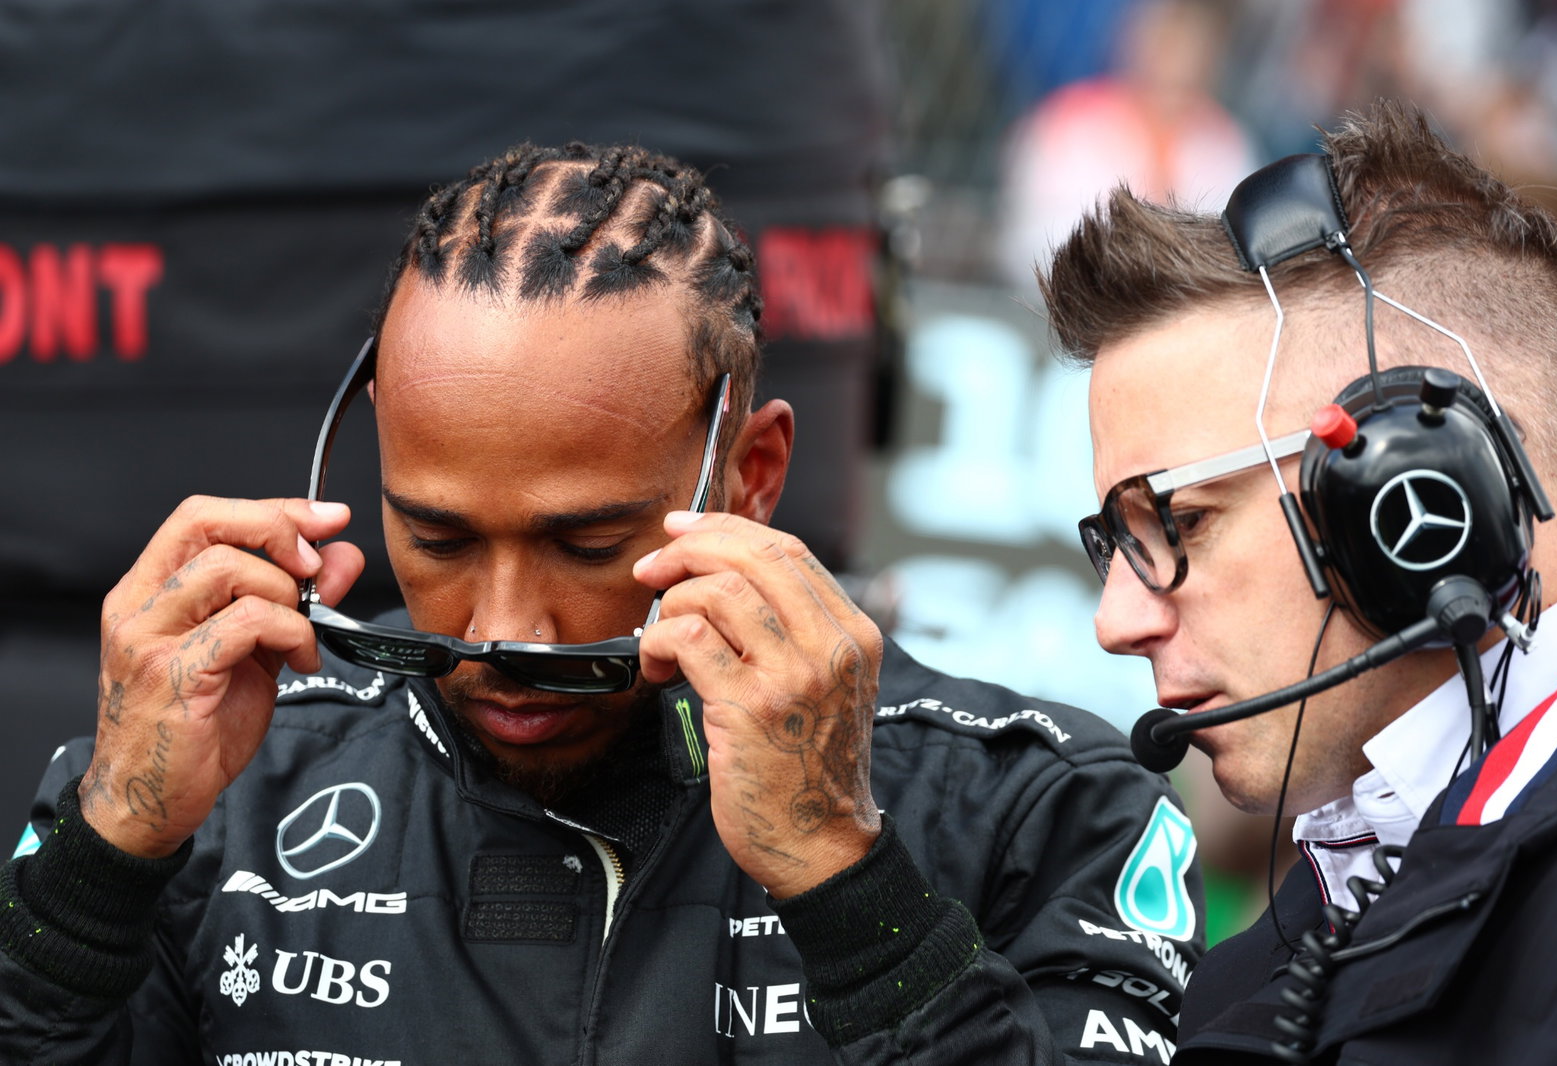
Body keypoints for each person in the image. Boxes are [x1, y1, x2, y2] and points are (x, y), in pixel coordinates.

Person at [0, 143, 1198, 1064]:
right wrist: (103, 855)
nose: (502, 629)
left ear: (752, 477)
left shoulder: (1037, 810)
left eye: (586, 542)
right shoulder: (213, 792)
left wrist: (844, 876)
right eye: (436, 536)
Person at [1042, 99, 1557, 1063]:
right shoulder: (1294, 937)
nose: (1117, 621)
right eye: (1118, 546)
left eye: (1181, 523)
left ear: (1422, 492)